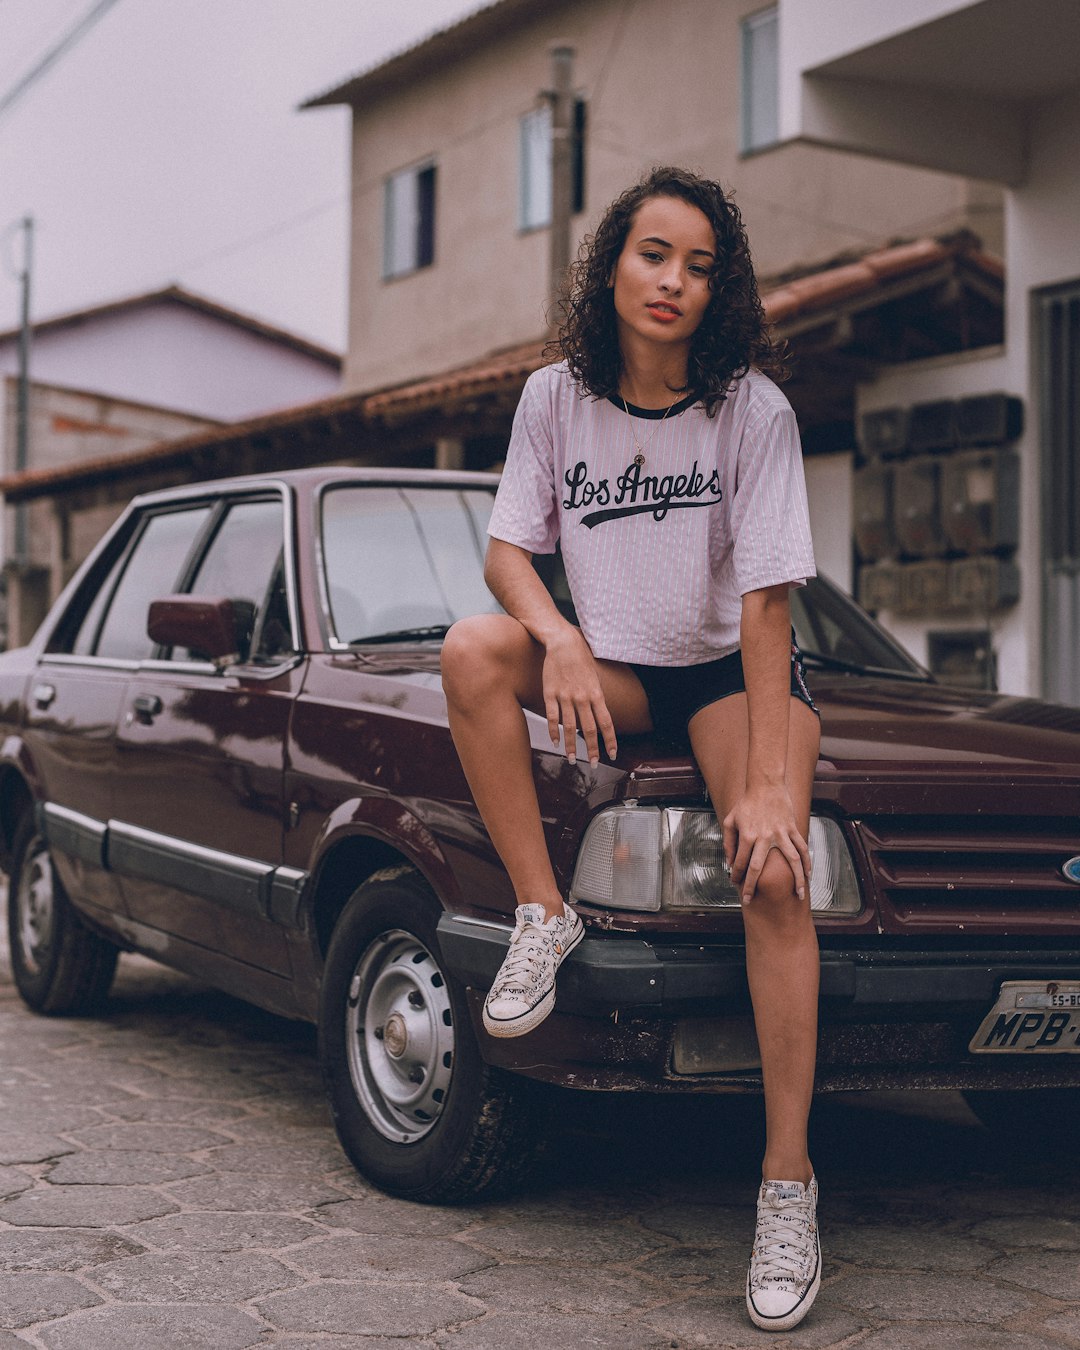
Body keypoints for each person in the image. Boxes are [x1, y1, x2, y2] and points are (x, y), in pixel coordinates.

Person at [440, 165, 821, 1333]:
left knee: (770, 869)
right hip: (612, 664)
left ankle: (788, 1185)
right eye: (655, 255)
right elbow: (509, 550)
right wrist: (552, 634)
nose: (675, 282)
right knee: (470, 651)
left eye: (701, 266)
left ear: (722, 290)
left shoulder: (751, 410)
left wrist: (761, 782)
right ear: (613, 267)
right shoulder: (555, 399)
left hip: (727, 675)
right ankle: (544, 912)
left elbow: (767, 607)